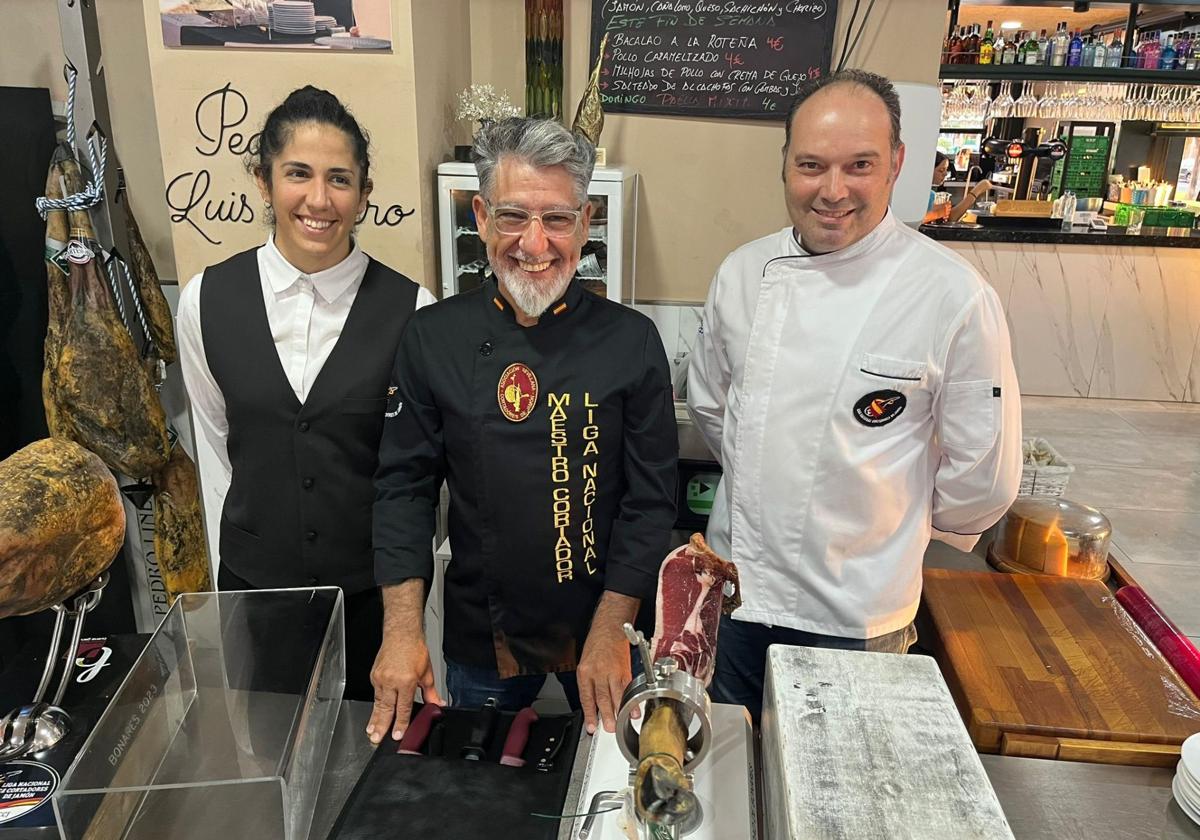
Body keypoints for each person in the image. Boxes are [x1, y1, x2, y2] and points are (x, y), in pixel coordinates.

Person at [687, 70, 1022, 721]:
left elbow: (983, 475)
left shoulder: (952, 296)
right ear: (784, 164)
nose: (832, 190)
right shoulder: (741, 275)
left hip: (859, 613)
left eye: (859, 165)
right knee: (728, 762)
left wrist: (883, 527)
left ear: (896, 163)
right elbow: (711, 408)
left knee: (832, 799)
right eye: (811, 165)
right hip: (736, 594)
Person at [368, 117, 677, 744]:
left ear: (585, 222)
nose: (534, 244)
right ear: (480, 217)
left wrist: (614, 630)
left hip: (605, 623)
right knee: (484, 796)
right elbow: (403, 488)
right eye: (513, 216)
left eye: (557, 219)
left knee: (613, 792)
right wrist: (401, 631)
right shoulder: (434, 338)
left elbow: (650, 503)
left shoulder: (633, 342)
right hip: (485, 632)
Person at [177, 86, 436, 702]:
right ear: (265, 182)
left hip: (372, 594)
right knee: (271, 755)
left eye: (340, 179)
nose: (319, 200)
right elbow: (217, 456)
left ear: (364, 195)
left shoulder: (413, 311)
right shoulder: (205, 301)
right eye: (299, 174)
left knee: (377, 767)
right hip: (257, 591)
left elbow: (418, 480)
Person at [933, 151, 991, 222]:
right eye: (941, 170)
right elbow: (951, 217)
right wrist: (976, 191)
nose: (945, 174)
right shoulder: (928, 195)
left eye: (946, 170)